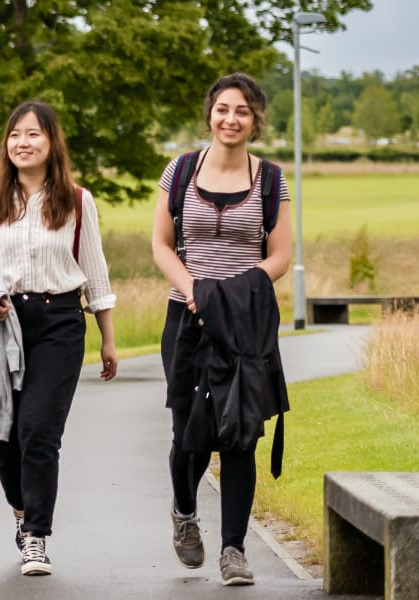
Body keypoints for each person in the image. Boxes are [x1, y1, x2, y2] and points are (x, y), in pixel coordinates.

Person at [0, 100, 120, 577]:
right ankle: (21, 511)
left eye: (33, 135)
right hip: (4, 323)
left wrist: (107, 339)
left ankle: (36, 537)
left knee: (39, 432)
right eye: (14, 135)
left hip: (60, 322)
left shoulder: (76, 200)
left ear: (51, 143)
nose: (22, 143)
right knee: (2, 437)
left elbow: (95, 273)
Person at [151, 72, 294, 587]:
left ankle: (233, 549)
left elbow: (279, 256)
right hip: (185, 318)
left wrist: (237, 290)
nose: (230, 119)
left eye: (242, 112)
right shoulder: (181, 171)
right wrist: (193, 289)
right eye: (223, 109)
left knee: (240, 434)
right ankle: (185, 510)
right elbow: (162, 246)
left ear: (255, 121)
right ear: (209, 114)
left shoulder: (272, 180)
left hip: (245, 324)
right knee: (187, 433)